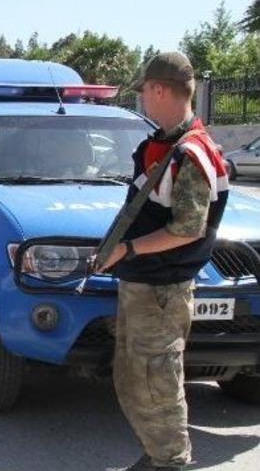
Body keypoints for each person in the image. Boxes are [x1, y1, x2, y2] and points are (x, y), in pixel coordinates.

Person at [97, 52, 229, 471]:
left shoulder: (189, 151)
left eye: (144, 93)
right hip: (147, 286)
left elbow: (188, 229)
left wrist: (128, 250)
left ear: (159, 89)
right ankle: (159, 457)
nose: (142, 102)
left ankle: (170, 461)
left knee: (156, 385)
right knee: (135, 380)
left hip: (161, 290)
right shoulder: (169, 143)